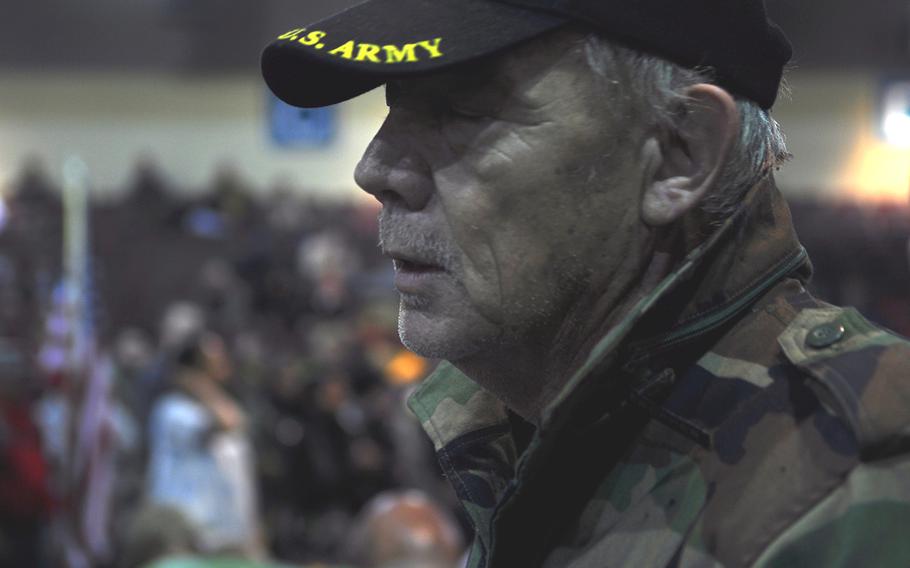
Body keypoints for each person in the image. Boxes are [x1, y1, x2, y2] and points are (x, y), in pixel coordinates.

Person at [261, 1, 910, 566]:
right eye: (397, 106)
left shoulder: (857, 488)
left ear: (679, 153)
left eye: (460, 109)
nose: (374, 168)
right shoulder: (523, 426)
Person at [146, 332, 261, 557]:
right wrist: (201, 387)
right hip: (185, 533)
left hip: (225, 534)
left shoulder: (220, 404)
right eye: (212, 364)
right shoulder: (172, 411)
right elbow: (227, 423)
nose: (223, 367)